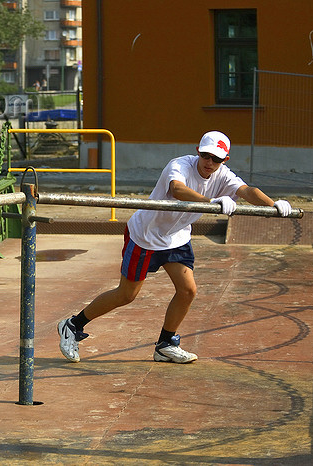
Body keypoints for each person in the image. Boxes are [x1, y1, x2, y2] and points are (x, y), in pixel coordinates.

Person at [57, 130, 293, 364]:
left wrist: (274, 205)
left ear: (225, 160)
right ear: (198, 152)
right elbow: (177, 190)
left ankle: (165, 344)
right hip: (146, 235)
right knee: (126, 295)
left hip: (176, 237)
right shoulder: (179, 165)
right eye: (207, 156)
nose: (210, 163)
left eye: (217, 159)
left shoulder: (223, 175)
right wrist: (211, 201)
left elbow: (246, 191)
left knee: (188, 290)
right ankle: (73, 325)